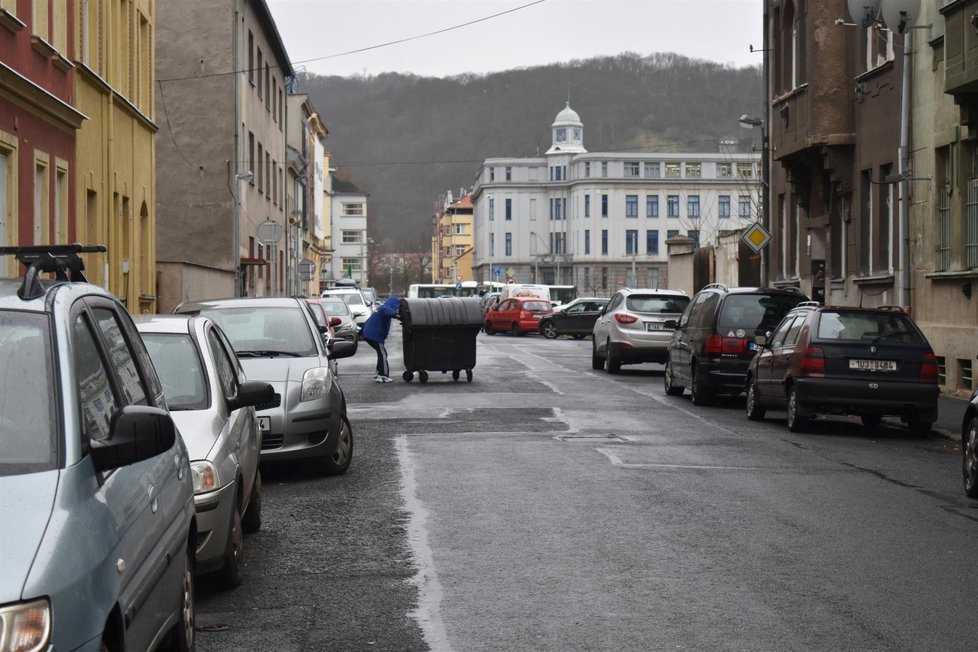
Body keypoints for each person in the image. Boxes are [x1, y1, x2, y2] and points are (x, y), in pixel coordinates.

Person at [361, 295, 400, 383]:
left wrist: (362, 332)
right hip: (374, 336)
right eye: (397, 307)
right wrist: (397, 315)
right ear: (393, 304)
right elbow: (389, 312)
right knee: (383, 354)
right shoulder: (385, 308)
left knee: (380, 353)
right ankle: (383, 375)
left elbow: (369, 320)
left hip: (369, 334)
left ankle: (379, 373)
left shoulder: (380, 308)